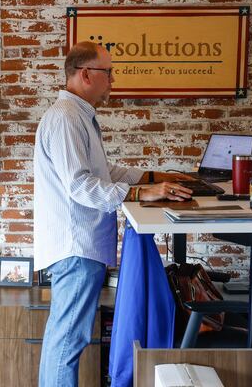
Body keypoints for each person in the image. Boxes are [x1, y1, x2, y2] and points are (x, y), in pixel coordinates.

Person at [34, 41, 192, 387]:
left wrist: (154, 177)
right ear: (86, 74)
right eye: (108, 72)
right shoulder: (65, 118)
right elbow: (80, 185)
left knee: (65, 338)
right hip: (76, 247)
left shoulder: (78, 116)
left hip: (80, 245)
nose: (113, 80)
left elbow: (102, 172)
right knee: (68, 341)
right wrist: (140, 192)